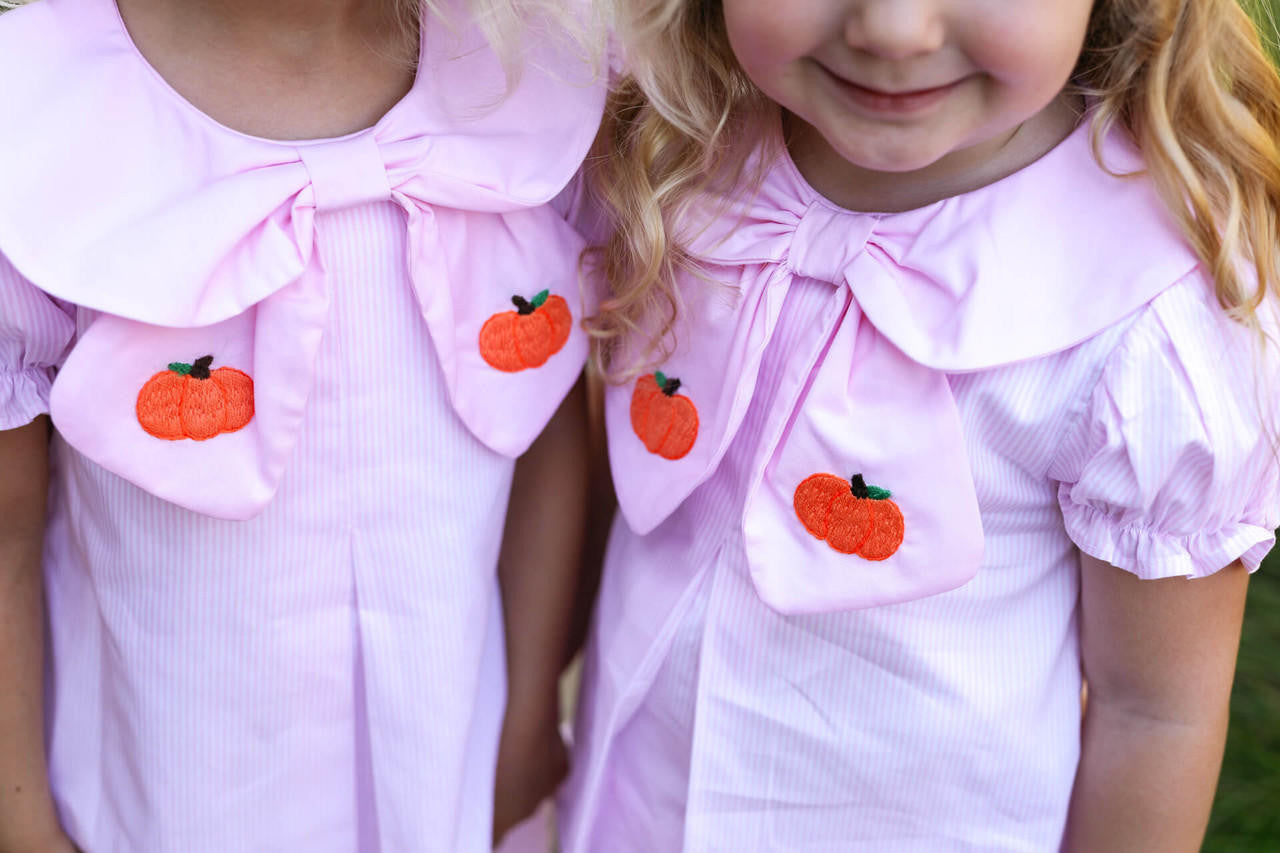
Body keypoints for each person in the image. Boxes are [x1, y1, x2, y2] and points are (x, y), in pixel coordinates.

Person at [560, 0, 1280, 850]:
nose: (893, 29)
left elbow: (1153, 712)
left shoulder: (1142, 312)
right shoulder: (676, 146)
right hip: (635, 810)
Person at [0, 0, 603, 849]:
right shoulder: (35, 123)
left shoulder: (534, 79)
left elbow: (536, 412)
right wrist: (21, 819)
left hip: (448, 772)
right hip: (162, 794)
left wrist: (530, 705)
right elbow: (8, 522)